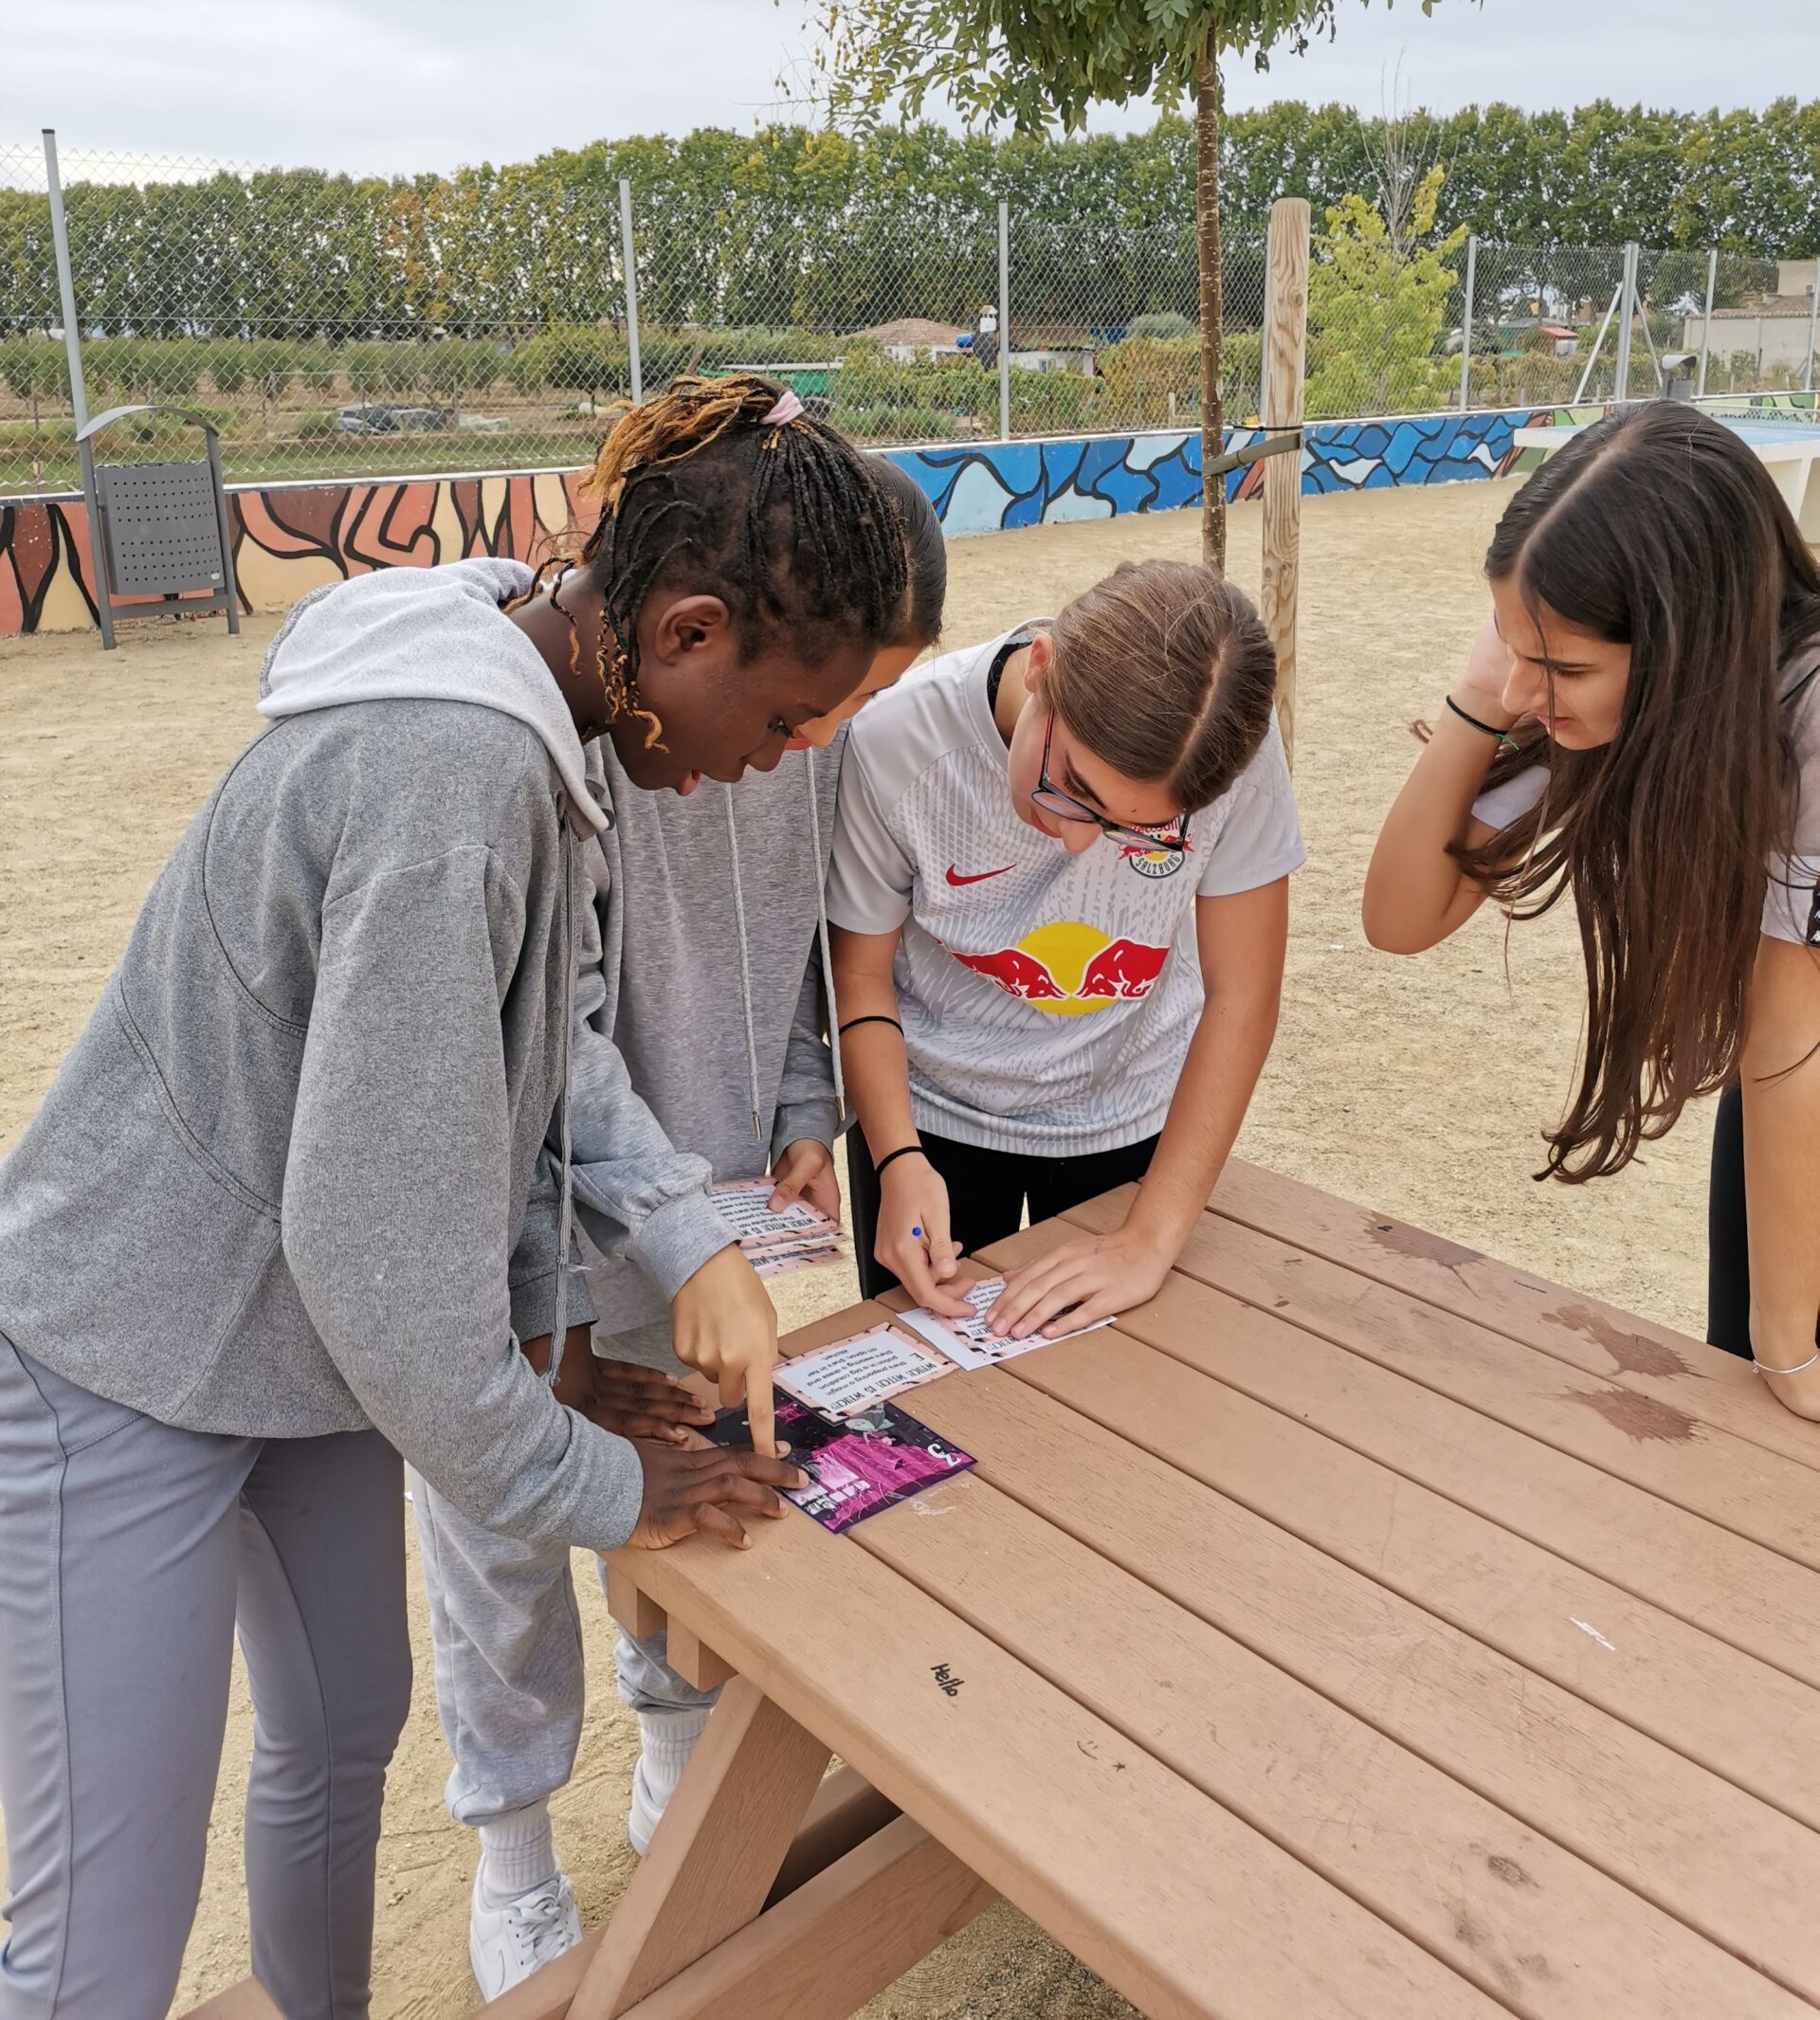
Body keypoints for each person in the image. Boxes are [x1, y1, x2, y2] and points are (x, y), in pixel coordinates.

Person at [0, 377, 908, 2020]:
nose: (777, 763)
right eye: (785, 721)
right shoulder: (455, 772)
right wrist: (604, 1482)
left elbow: (524, 1070)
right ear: (688, 633)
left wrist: (577, 1334)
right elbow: (384, 1271)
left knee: (344, 1730)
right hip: (118, 1358)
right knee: (101, 1946)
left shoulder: (538, 715)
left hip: (296, 1360)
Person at [414, 452, 947, 1996]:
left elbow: (805, 948)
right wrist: (661, 1228)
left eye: (857, 707)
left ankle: (676, 1744)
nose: (819, 741)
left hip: (698, 1200)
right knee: (504, 1539)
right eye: (812, 710)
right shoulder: (564, 743)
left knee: (689, 1488)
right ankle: (513, 1849)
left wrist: (802, 1103)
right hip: (536, 1213)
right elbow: (550, 1037)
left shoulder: (810, 724)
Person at [1360, 403, 1820, 1417]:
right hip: (1789, 1093)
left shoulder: (1809, 709)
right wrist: (1481, 700)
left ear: (1685, 646)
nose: (1532, 692)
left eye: (1564, 667)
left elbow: (1792, 1032)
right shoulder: (1603, 707)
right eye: (1513, 645)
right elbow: (1401, 916)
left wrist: (1791, 1352)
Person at [828, 557, 1304, 1338]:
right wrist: (897, 1160)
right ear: (1042, 665)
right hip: (927, 1123)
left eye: (1140, 829)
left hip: (1132, 1113)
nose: (1080, 842)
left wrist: (1150, 1239)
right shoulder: (897, 740)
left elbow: (1243, 994)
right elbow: (859, 974)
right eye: (1075, 786)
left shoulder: (1233, 753)